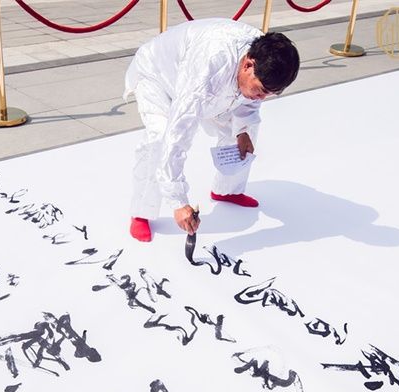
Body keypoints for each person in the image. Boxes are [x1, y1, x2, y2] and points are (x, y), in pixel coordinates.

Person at [124, 18, 300, 242]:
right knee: (159, 138)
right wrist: (178, 202)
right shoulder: (208, 66)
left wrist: (242, 130)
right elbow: (178, 133)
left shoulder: (263, 58)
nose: (262, 98)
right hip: (158, 76)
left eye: (269, 94)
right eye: (261, 90)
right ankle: (142, 211)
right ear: (248, 65)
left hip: (213, 86)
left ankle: (227, 189)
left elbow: (249, 102)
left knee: (246, 132)